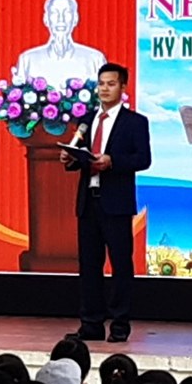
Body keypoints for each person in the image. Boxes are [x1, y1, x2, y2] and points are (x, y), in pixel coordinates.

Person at [61, 63, 152, 344]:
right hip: (88, 201)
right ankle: (91, 323)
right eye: (101, 83)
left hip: (116, 203)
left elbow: (143, 159)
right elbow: (81, 156)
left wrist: (112, 162)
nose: (104, 89)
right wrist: (70, 159)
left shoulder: (135, 122)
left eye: (111, 84)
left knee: (121, 265)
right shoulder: (87, 120)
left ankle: (120, 324)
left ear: (123, 87)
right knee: (89, 265)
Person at [13, 0, 107, 90]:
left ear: (75, 18)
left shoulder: (95, 60)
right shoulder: (27, 60)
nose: (61, 19)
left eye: (67, 12)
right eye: (54, 13)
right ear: (46, 19)